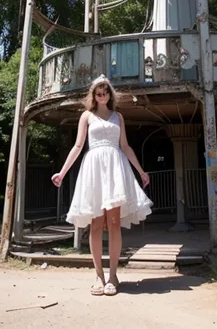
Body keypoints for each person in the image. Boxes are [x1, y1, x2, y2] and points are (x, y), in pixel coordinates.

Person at [51, 75, 152, 296]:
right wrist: (62, 171)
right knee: (96, 225)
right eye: (98, 91)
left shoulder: (118, 117)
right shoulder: (86, 116)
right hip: (94, 170)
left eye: (106, 91)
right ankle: (98, 276)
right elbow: (78, 146)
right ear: (93, 95)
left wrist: (141, 171)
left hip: (116, 170)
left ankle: (113, 276)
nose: (102, 95)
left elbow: (125, 146)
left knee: (114, 223)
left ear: (110, 94)